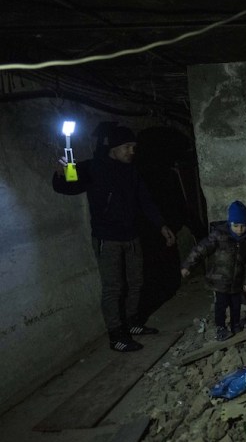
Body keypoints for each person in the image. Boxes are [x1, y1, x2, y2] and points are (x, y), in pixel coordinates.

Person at [52, 124, 176, 352]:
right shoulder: (93, 168)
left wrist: (161, 225)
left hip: (131, 236)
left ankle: (132, 323)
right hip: (107, 238)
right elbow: (69, 186)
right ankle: (116, 335)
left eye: (134, 147)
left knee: (136, 282)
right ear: (114, 148)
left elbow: (144, 199)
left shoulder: (131, 171)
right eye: (127, 147)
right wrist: (61, 175)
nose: (132, 151)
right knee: (113, 287)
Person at [181, 201, 246, 341]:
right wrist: (187, 265)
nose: (239, 230)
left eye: (243, 226)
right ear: (230, 223)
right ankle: (221, 328)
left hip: (236, 282)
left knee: (236, 305)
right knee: (220, 306)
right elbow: (200, 249)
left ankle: (235, 325)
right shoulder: (219, 236)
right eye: (236, 226)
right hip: (220, 281)